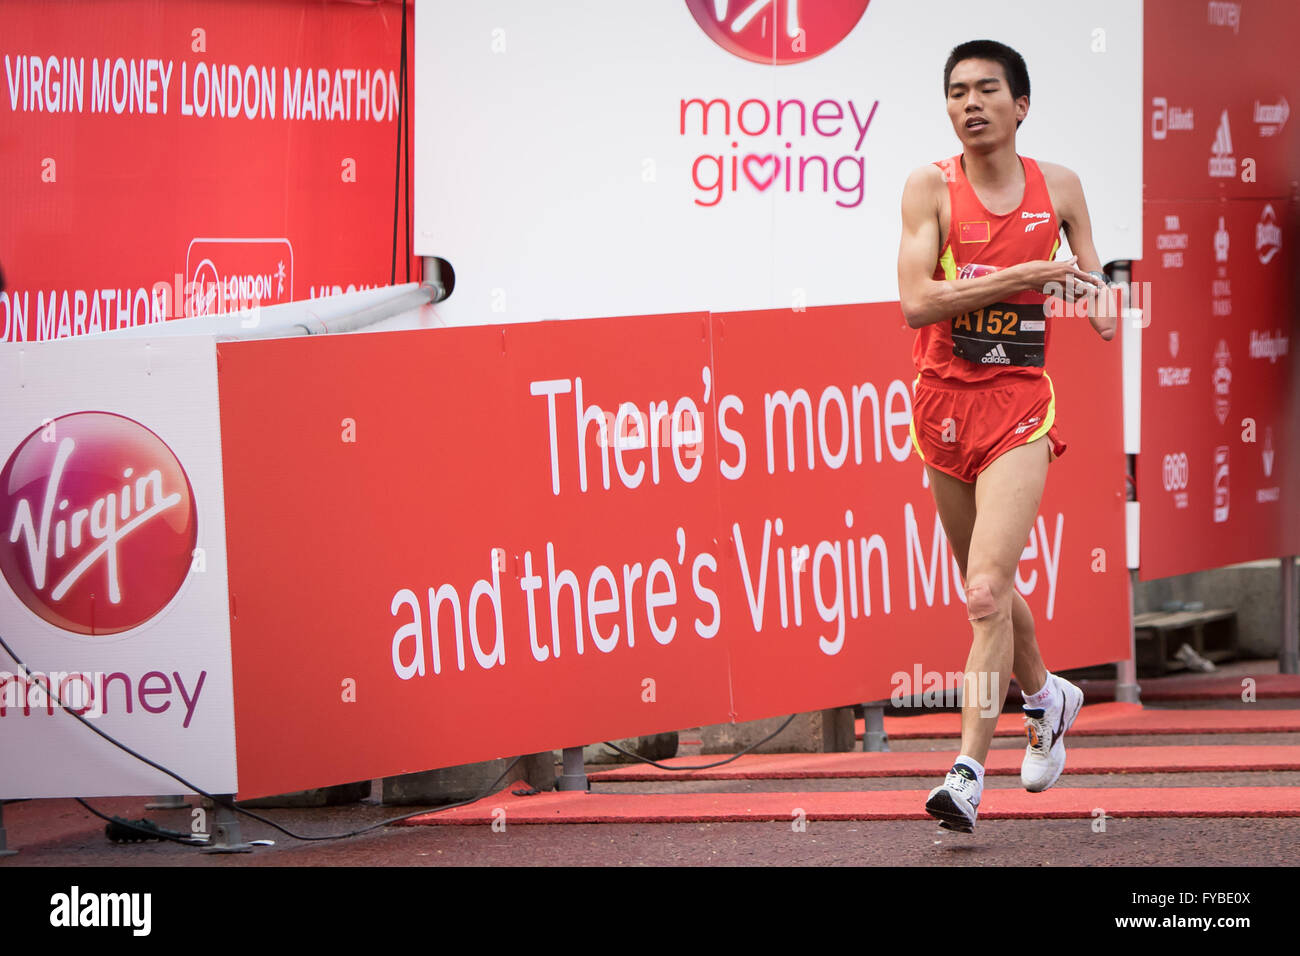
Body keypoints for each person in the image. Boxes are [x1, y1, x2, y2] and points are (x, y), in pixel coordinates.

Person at [895, 39, 1116, 832]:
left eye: (987, 90)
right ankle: (1050, 696)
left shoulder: (1058, 187)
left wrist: (1101, 303)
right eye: (957, 93)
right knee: (991, 590)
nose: (971, 104)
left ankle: (965, 772)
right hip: (942, 410)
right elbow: (918, 304)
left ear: (1021, 106)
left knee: (985, 590)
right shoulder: (930, 188)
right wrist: (1027, 277)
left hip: (1020, 407)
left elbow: (1093, 272)